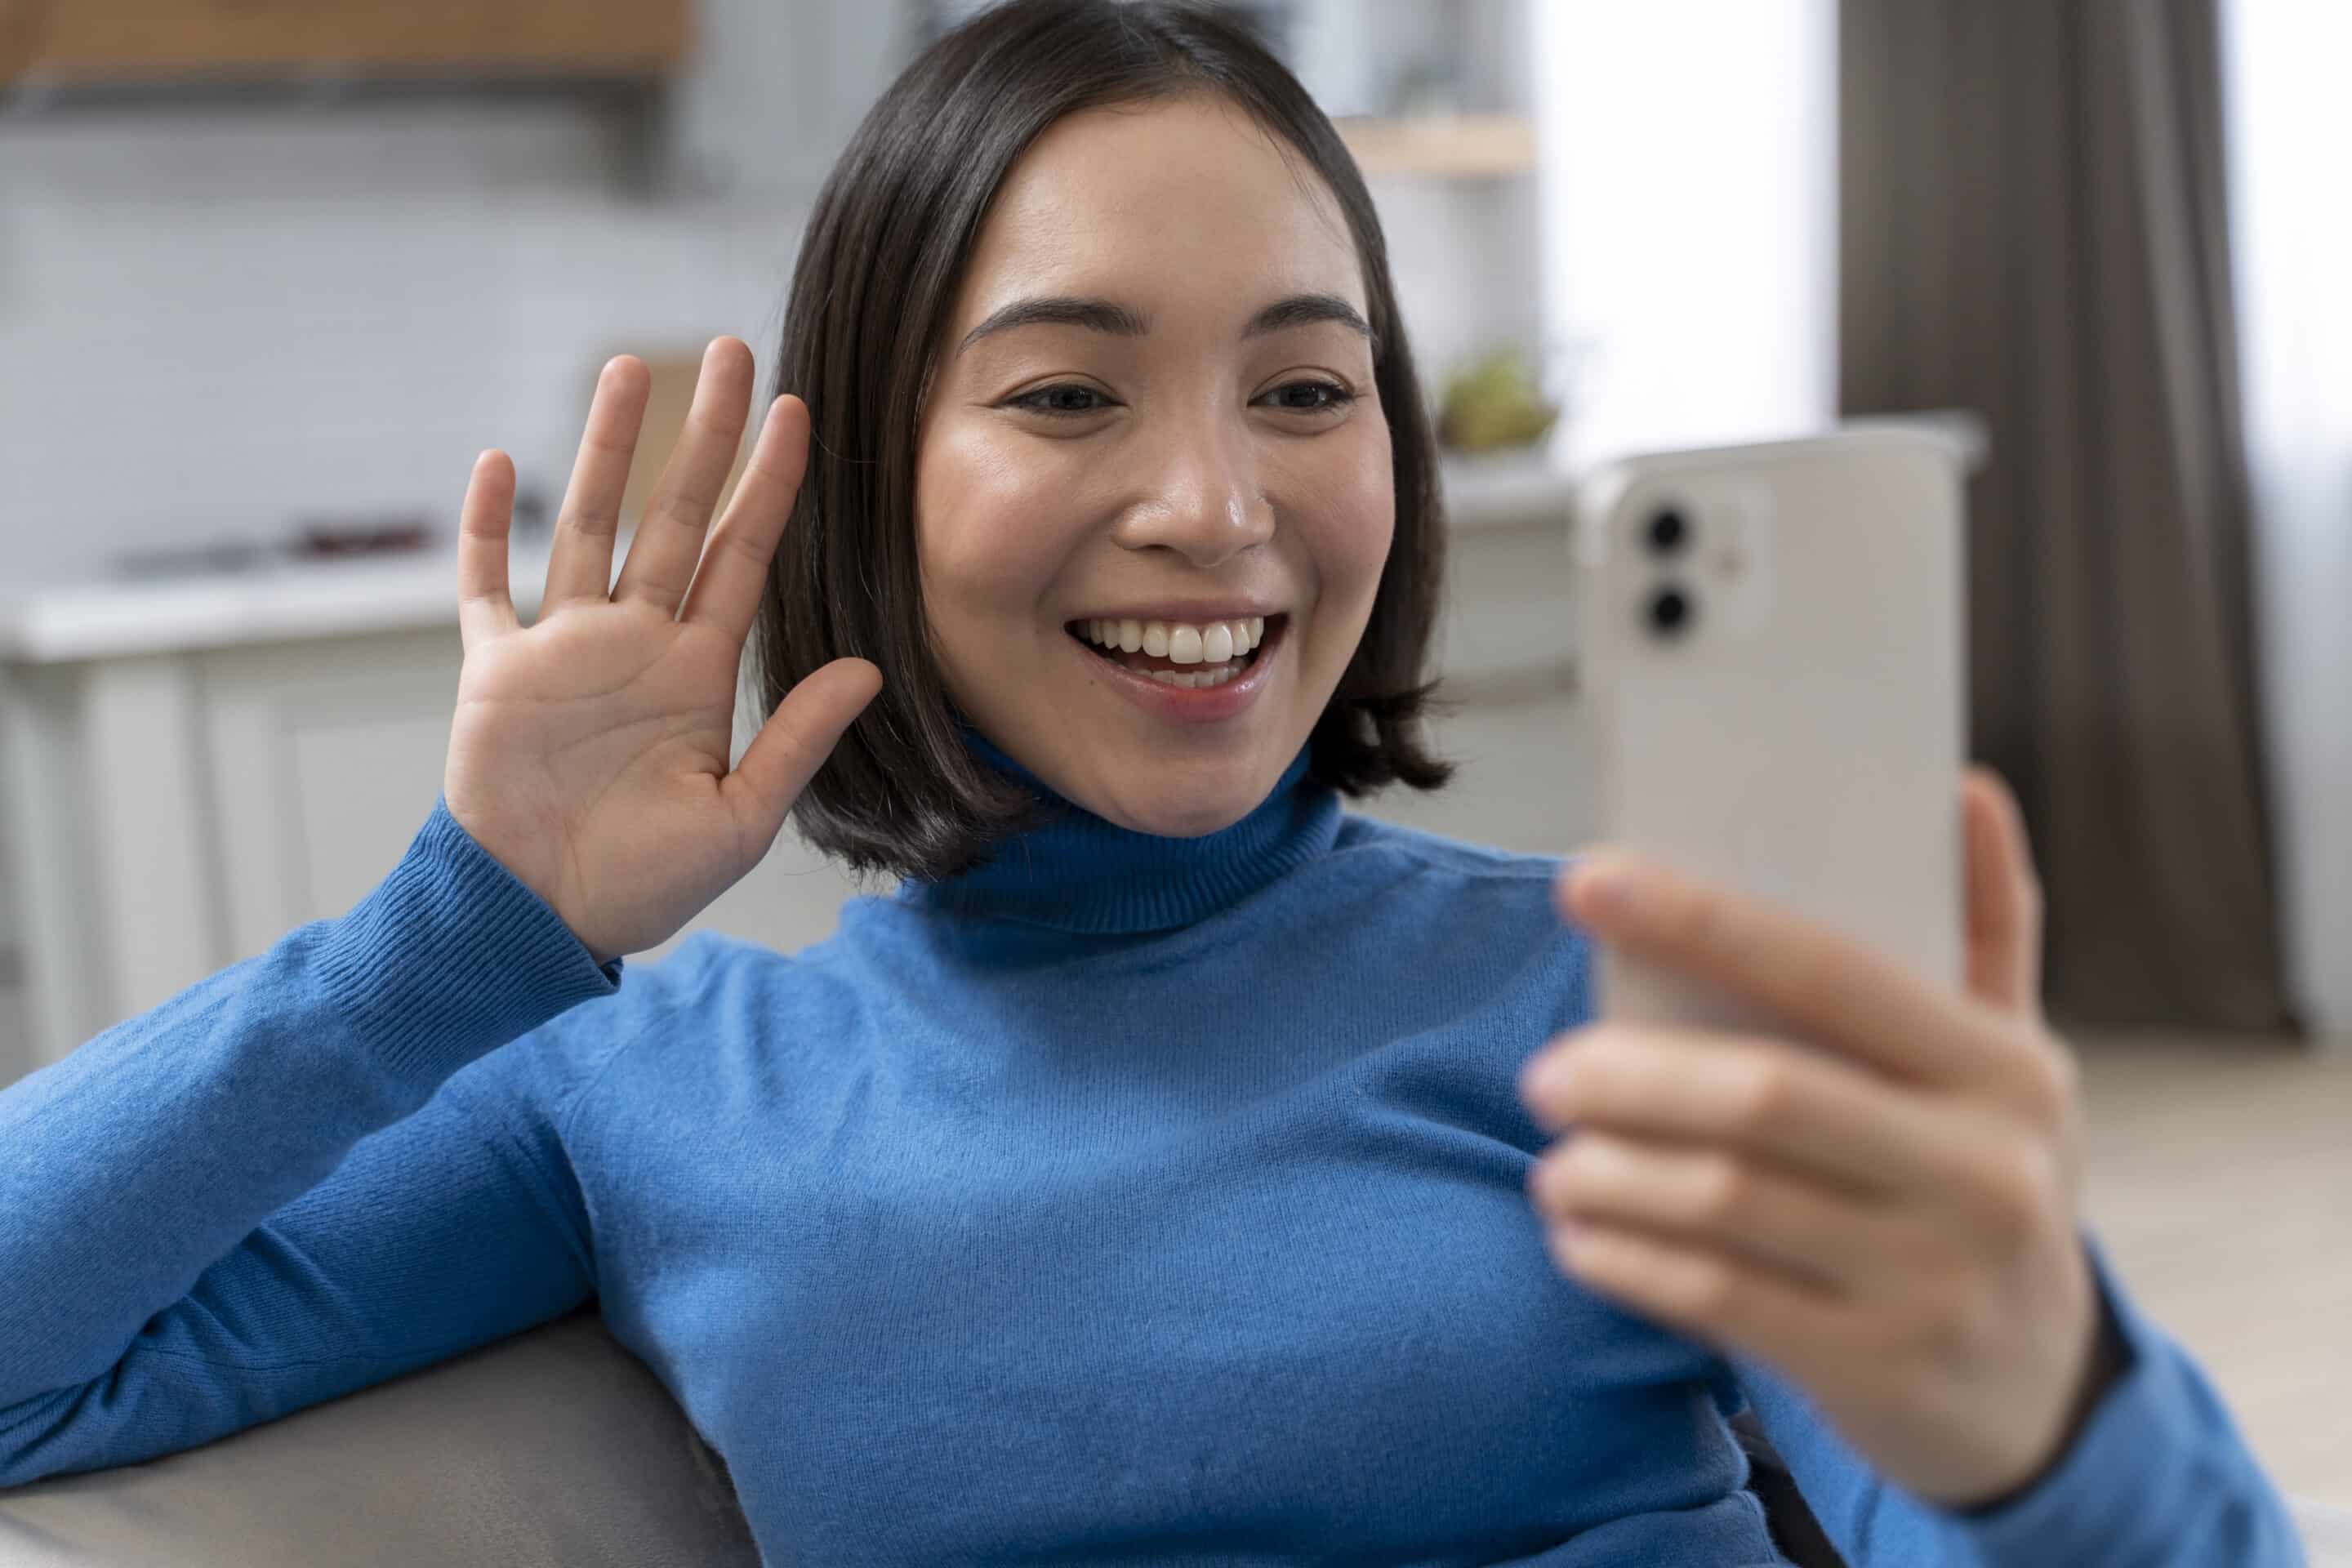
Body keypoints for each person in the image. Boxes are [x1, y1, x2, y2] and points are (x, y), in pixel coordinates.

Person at [0, 2, 2305, 1562]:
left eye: (1307, 393)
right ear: (866, 489)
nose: (1217, 506)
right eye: (1070, 396)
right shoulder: (645, 1088)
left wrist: (2048, 1399)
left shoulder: (1626, 998)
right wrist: (460, 927)